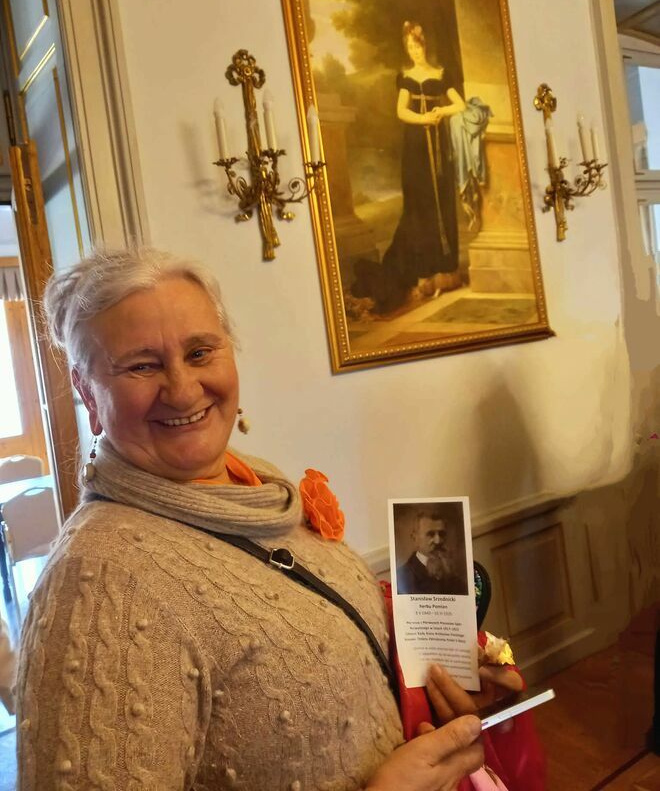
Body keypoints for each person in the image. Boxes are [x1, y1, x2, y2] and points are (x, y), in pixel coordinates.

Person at [14, 247, 502, 790]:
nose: (183, 389)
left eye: (200, 352)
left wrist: (433, 680)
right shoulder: (99, 582)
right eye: (142, 365)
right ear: (87, 391)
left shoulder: (256, 480)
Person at [351, 20, 465, 314]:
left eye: (418, 46)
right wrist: (423, 119)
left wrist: (441, 111)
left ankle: (444, 266)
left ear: (425, 45)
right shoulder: (405, 77)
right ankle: (423, 268)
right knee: (419, 203)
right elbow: (401, 111)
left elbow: (460, 105)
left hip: (439, 143)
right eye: (410, 47)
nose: (414, 51)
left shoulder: (440, 74)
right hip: (415, 145)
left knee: (442, 199)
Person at [397, 509, 468, 596]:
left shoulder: (451, 574)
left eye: (441, 534)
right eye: (430, 534)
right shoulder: (404, 577)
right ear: (415, 538)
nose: (438, 541)